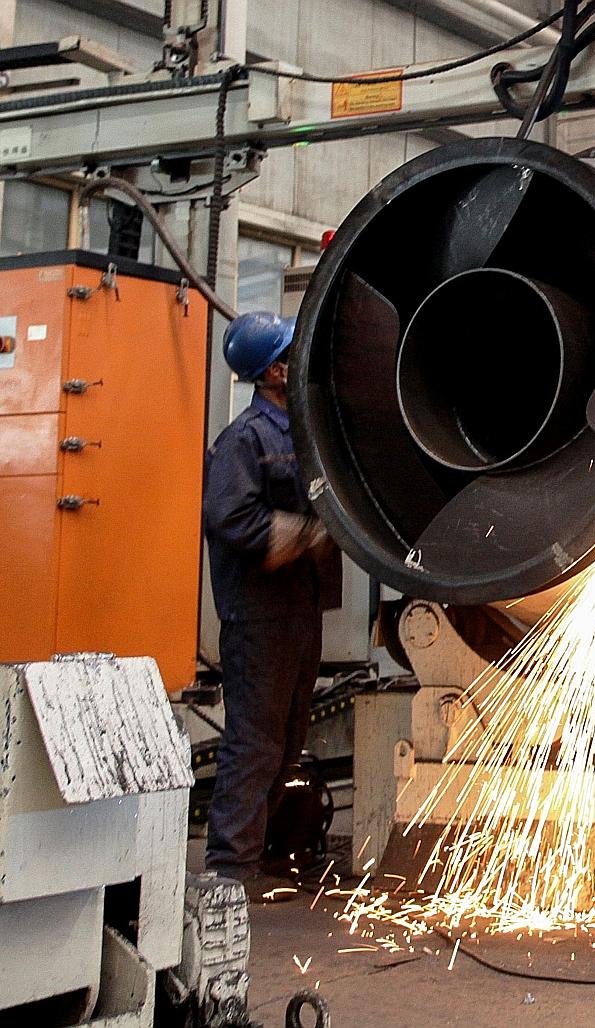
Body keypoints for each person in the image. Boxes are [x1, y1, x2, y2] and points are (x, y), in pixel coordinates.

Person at [203, 311, 337, 902]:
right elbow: (228, 518)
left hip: (299, 611)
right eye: (292, 353)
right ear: (275, 370)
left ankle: (262, 853)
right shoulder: (245, 440)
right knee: (255, 742)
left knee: (286, 742)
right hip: (258, 617)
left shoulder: (299, 430)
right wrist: (304, 535)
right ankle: (230, 869)